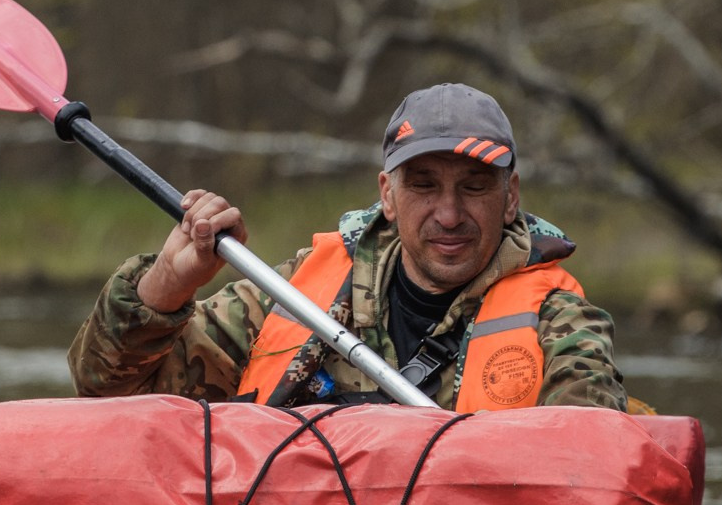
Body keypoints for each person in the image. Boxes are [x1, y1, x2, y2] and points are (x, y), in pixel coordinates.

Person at [67, 81, 627, 411]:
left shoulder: (559, 320)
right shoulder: (291, 294)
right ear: (387, 194)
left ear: (510, 199)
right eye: (424, 186)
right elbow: (107, 393)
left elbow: (588, 467)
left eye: (475, 187)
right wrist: (169, 281)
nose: (449, 214)